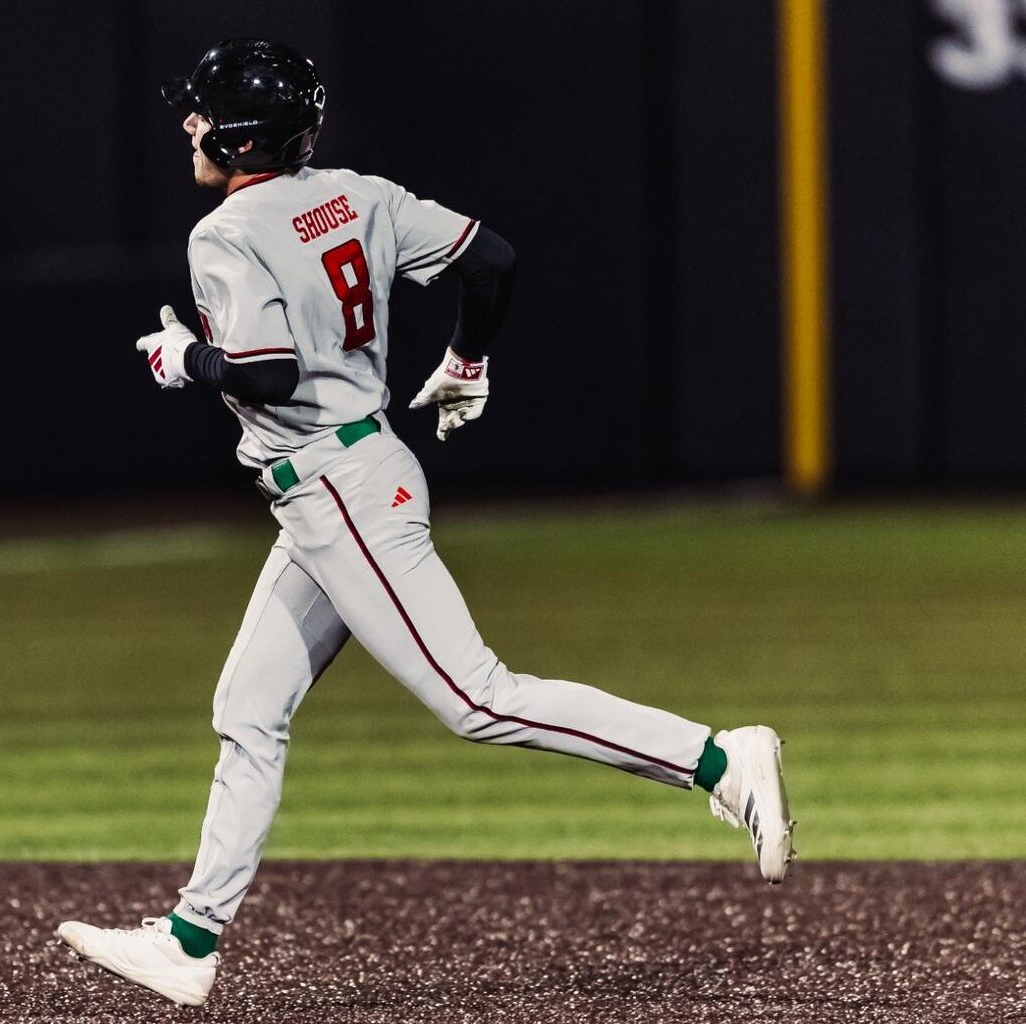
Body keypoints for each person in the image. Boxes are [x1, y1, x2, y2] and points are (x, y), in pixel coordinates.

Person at [56, 39, 794, 1008]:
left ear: (240, 135)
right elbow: (492, 259)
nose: (188, 124)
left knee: (477, 697)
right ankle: (192, 937)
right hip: (347, 477)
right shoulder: (357, 193)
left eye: (201, 113)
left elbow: (268, 372)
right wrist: (468, 359)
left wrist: (185, 361)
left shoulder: (222, 235)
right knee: (247, 705)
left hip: (337, 488)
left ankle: (717, 757)